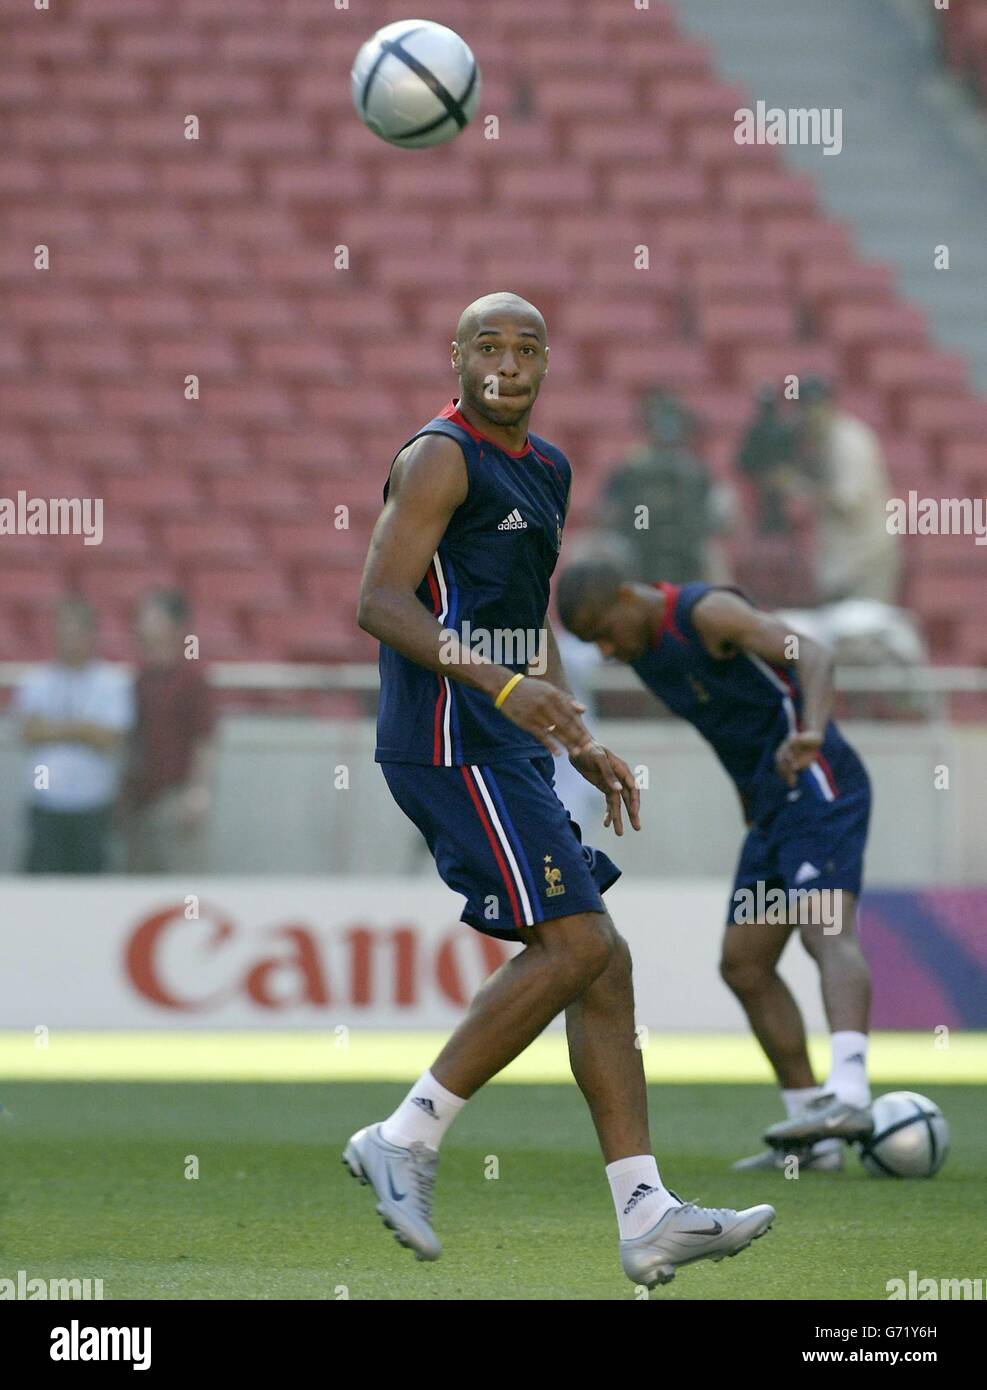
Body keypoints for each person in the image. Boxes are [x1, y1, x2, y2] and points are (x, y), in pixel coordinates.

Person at [348, 291, 774, 1290]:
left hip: (510, 742)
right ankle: (405, 1134)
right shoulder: (440, 456)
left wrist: (573, 730)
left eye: (526, 346)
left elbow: (523, 608)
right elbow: (375, 600)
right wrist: (503, 687)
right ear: (454, 357)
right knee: (578, 941)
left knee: (602, 962)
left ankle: (647, 1213)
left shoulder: (548, 467)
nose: (508, 359)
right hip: (449, 738)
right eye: (487, 344)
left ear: (547, 365)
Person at [556, 556, 876, 1171]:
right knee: (745, 964)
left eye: (604, 630)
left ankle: (852, 1093)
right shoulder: (645, 654)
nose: (607, 648)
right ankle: (819, 1133)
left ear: (629, 594)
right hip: (770, 811)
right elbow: (732, 728)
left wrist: (810, 731)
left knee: (825, 927)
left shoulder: (707, 614)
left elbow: (813, 654)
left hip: (815, 779)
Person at [14, 596, 133, 873]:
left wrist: (55, 728)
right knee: (42, 882)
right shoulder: (37, 681)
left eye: (75, 632)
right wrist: (82, 729)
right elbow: (29, 733)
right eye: (61, 631)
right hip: (46, 802)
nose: (67, 640)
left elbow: (110, 738)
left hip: (92, 802)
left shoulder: (112, 683)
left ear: (92, 635)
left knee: (88, 885)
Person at [123, 589, 216, 874]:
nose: (143, 624)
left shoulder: (191, 679)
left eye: (152, 616)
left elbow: (205, 739)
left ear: (174, 626)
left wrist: (197, 792)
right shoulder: (141, 679)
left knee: (179, 880)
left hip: (175, 798)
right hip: (141, 799)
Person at [599, 389, 729, 584]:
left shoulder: (695, 469)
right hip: (634, 544)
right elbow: (606, 511)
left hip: (688, 544)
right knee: (605, 555)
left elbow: (720, 515)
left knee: (714, 560)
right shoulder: (629, 467)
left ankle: (720, 611)